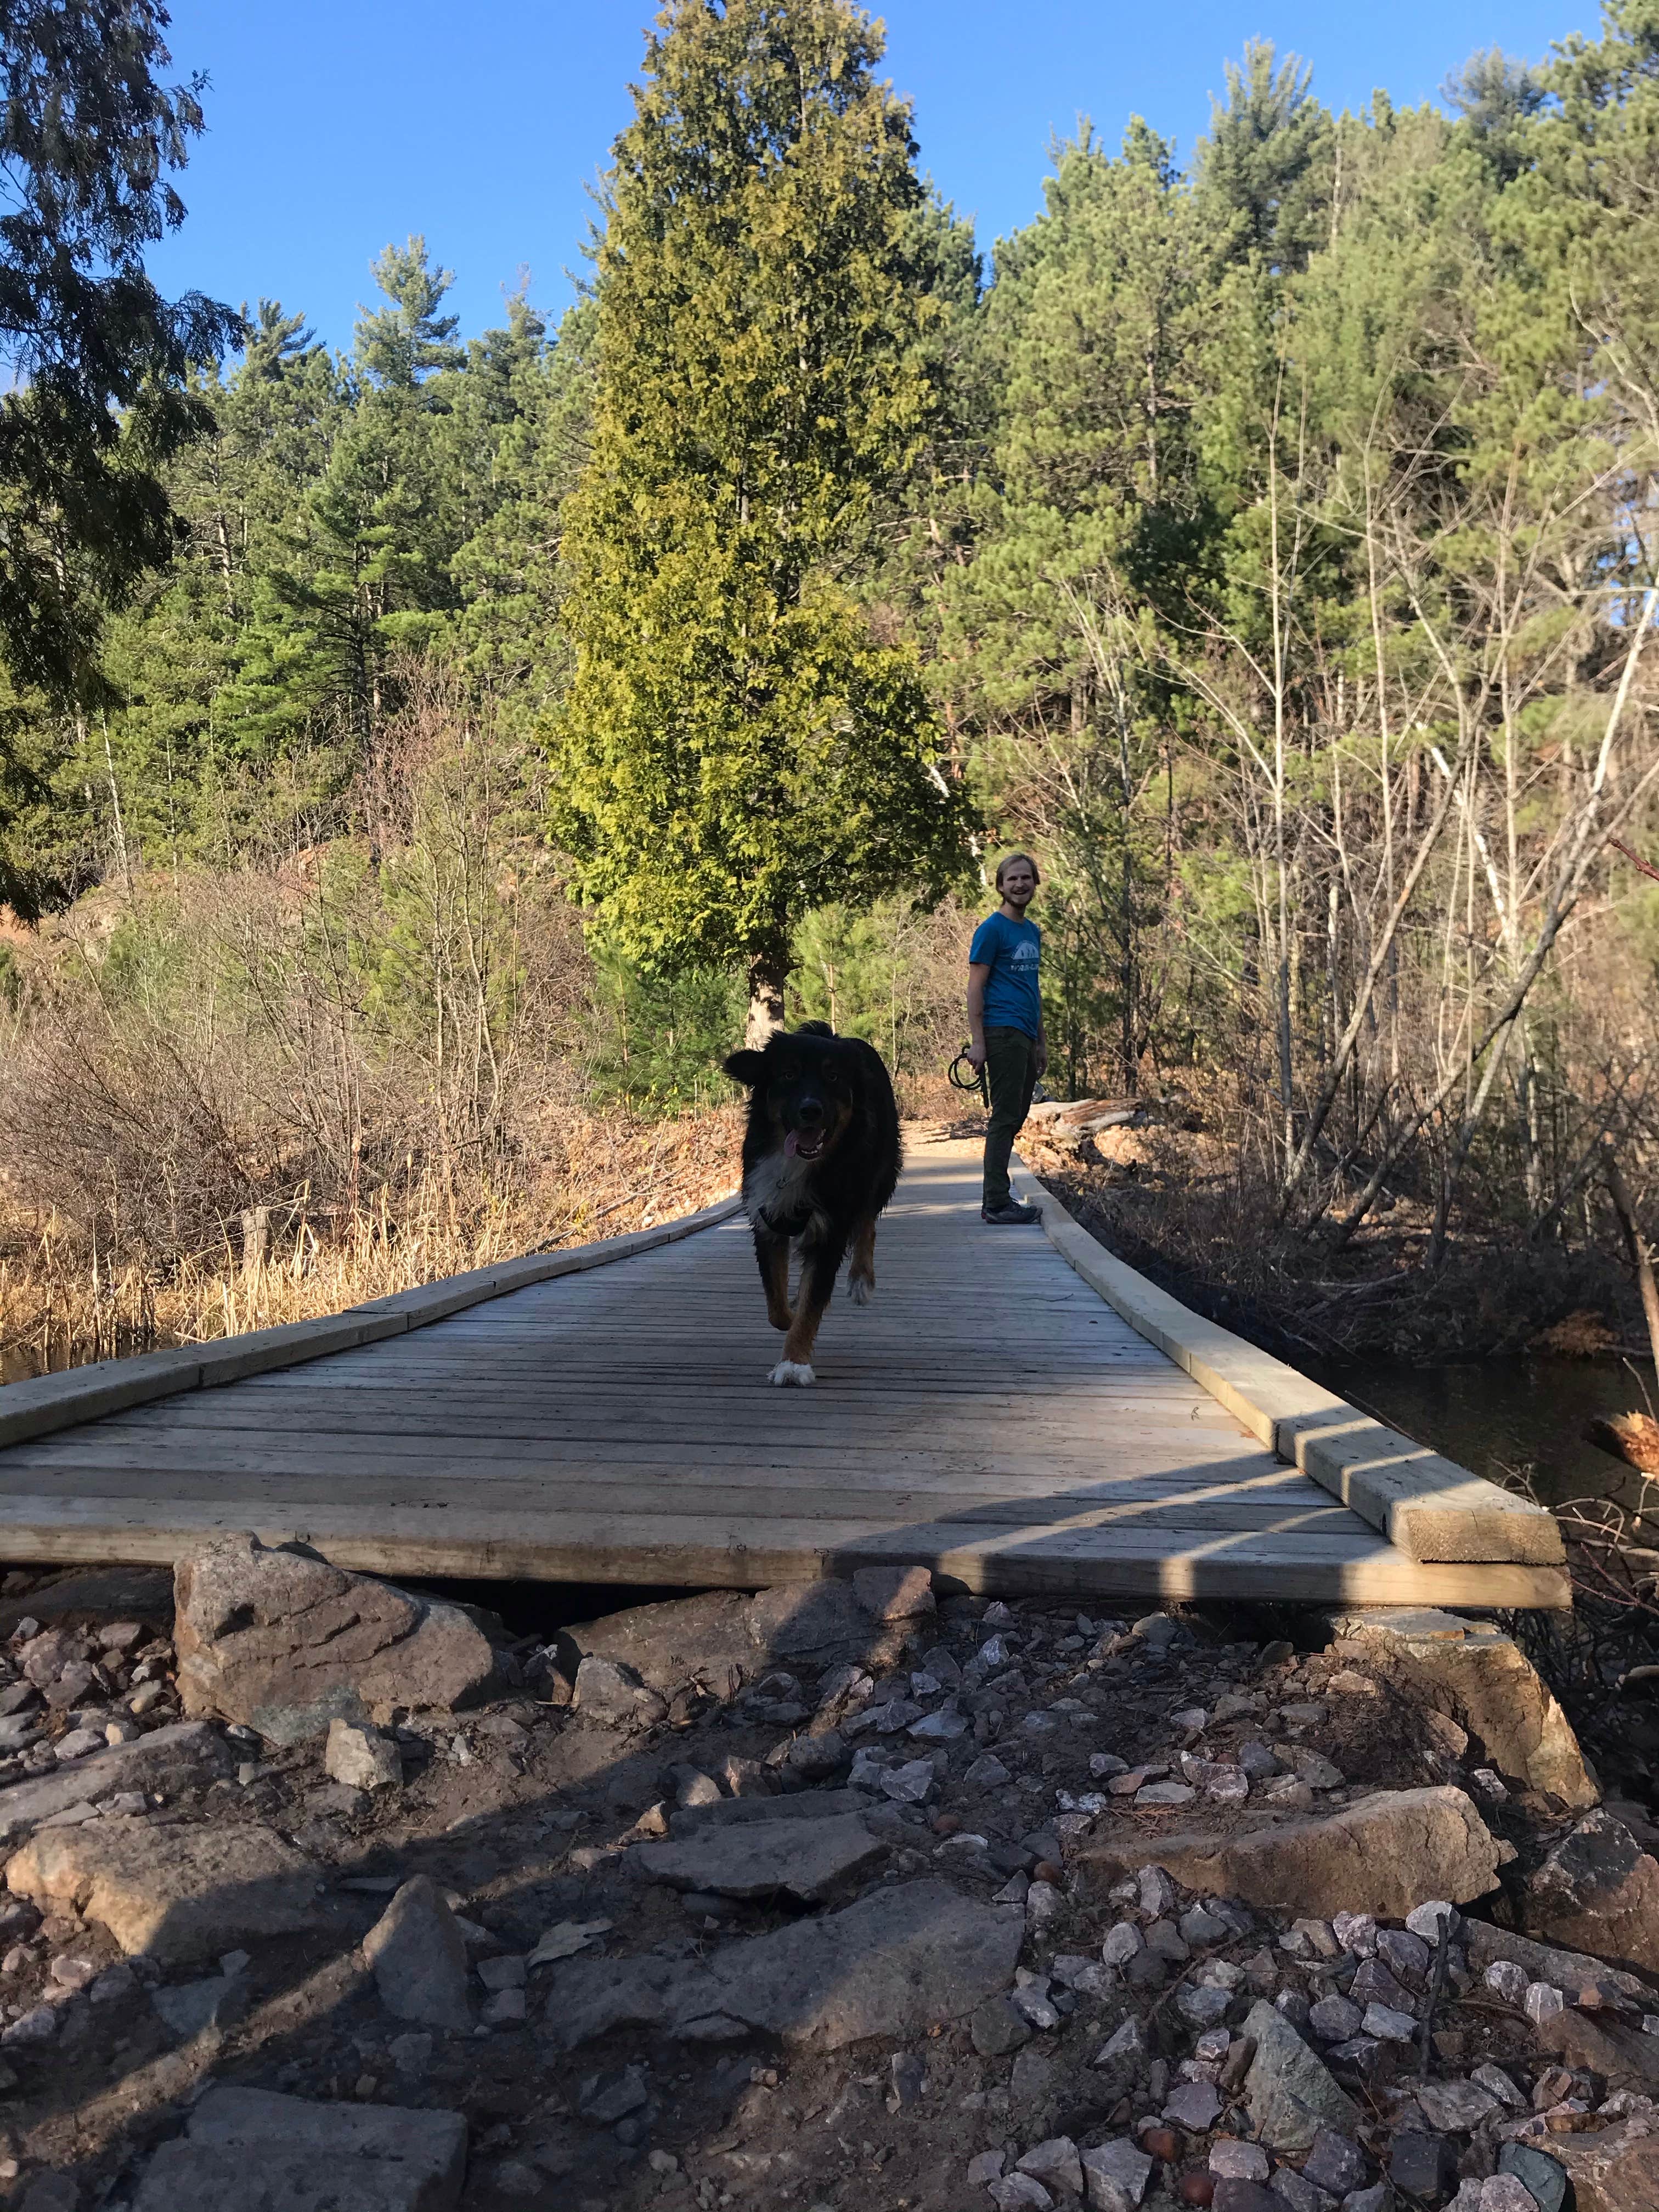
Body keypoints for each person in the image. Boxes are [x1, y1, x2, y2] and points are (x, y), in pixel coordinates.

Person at [967, 852, 1046, 1224]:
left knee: (1015, 1116)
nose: (1019, 884)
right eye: (1012, 879)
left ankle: (998, 1197)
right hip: (1001, 1031)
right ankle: (996, 1202)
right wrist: (978, 1041)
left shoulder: (1032, 932)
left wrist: (1041, 1041)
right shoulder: (992, 930)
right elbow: (975, 987)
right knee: (1004, 1118)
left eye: (1025, 878)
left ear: (1035, 883)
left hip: (1026, 1035)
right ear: (1000, 885)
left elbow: (1032, 988)